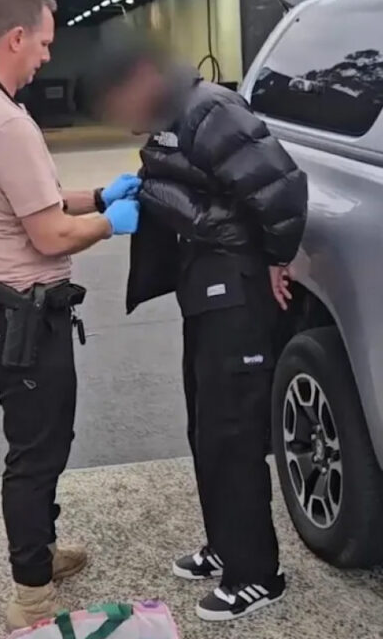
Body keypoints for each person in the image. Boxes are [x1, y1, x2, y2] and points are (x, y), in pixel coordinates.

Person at [81, 38, 308, 621]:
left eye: (117, 100)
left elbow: (284, 187)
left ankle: (258, 574)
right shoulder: (168, 120)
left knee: (232, 433)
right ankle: (226, 546)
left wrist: (278, 260)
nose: (118, 116)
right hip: (203, 291)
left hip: (237, 291)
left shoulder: (209, 111)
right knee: (206, 427)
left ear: (144, 78)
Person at [0, 0, 142, 630]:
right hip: (19, 320)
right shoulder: (3, 123)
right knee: (34, 454)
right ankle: (31, 593)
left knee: (47, 440)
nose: (50, 55)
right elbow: (51, 234)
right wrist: (111, 222)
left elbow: (36, 200)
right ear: (18, 37)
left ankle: (42, 553)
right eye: (47, 44)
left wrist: (100, 193)